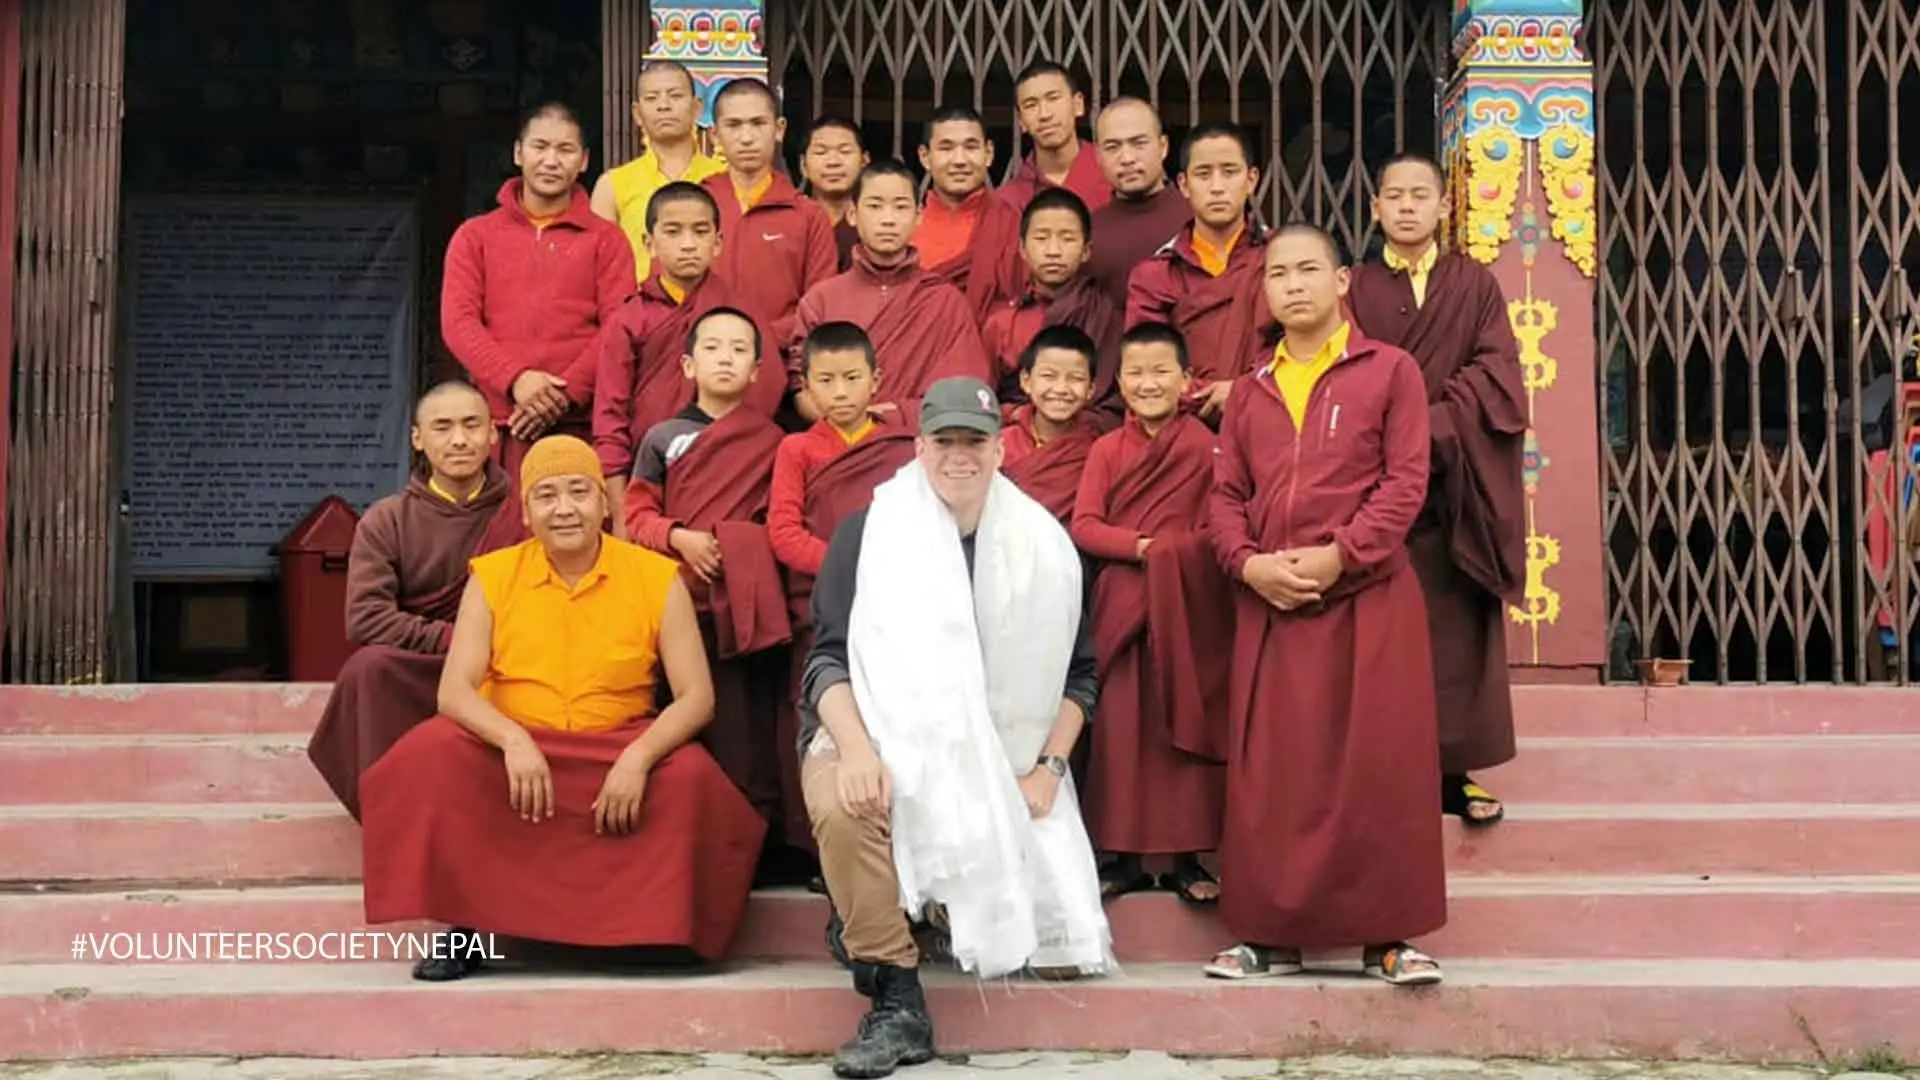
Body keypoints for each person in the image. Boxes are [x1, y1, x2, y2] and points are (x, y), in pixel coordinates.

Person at [359, 434, 767, 980]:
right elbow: (454, 691)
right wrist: (512, 740)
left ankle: (654, 930)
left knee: (691, 779)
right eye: (547, 496)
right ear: (526, 513)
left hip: (616, 742)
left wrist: (640, 758)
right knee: (431, 754)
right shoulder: (493, 576)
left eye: (579, 492)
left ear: (604, 503)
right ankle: (466, 931)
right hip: (518, 744)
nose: (565, 508)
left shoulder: (654, 576)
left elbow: (696, 697)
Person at [802, 376, 1112, 1077]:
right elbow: (825, 661)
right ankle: (896, 1001)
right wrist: (854, 748)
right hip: (868, 721)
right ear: (919, 447)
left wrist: (1047, 771)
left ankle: (891, 909)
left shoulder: (1043, 547)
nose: (959, 457)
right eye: (944, 442)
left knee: (1037, 909)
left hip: (1003, 755)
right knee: (848, 803)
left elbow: (1080, 675)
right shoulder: (871, 531)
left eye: (974, 442)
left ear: (1001, 451)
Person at [1203, 225, 1445, 986]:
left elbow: (1406, 483)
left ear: (1343, 281)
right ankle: (1268, 937)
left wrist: (1342, 553)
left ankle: (1389, 940)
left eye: (1310, 270)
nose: (1294, 285)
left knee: (1378, 766)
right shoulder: (1251, 388)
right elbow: (1225, 496)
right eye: (1279, 273)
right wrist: (1248, 565)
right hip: (1272, 598)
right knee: (1273, 771)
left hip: (1367, 595)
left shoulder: (1389, 370)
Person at [1348, 154, 1525, 827]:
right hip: (1375, 483)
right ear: (1375, 207)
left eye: (1420, 195)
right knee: (1380, 634)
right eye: (1393, 196)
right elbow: (1342, 364)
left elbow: (1497, 373)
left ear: (1444, 207)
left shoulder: (1471, 284)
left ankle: (1458, 773)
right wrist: (1392, 433)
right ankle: (1385, 772)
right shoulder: (1356, 287)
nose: (1407, 207)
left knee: (1453, 630)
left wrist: (1433, 423)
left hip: (1456, 481)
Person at [307, 383, 527, 819]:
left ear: (493, 434)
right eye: (442, 427)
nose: (459, 440)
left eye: (471, 425)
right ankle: (389, 809)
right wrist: (458, 642)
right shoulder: (388, 519)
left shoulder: (523, 512)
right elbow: (367, 619)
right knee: (368, 669)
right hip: (427, 661)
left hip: (507, 657)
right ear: (418, 439)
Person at [625, 307, 796, 866]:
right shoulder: (663, 438)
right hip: (678, 604)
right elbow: (635, 515)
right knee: (678, 719)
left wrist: (738, 545)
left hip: (742, 605)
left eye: (740, 349)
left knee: (743, 729)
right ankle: (677, 843)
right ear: (688, 363)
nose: (726, 357)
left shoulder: (773, 441)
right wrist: (679, 538)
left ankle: (751, 847)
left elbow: (781, 519)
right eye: (714, 347)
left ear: (756, 371)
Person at [1069, 323, 1230, 903]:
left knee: (1177, 723)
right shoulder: (1107, 449)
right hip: (1122, 603)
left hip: (1187, 603)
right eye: (1135, 372)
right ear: (1118, 382)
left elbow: (1221, 524)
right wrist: (1144, 549)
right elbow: (1085, 525)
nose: (1148, 383)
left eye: (1162, 370)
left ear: (1187, 379)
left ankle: (1187, 860)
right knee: (1120, 729)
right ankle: (1125, 857)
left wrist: (1173, 556)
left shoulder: (1207, 446)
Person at [767, 321, 917, 865]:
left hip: (893, 607)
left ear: (876, 380)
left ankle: (897, 846)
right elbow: (783, 532)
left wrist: (882, 573)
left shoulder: (900, 448)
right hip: (823, 608)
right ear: (806, 386)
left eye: (852, 378)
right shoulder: (797, 449)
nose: (840, 393)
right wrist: (846, 568)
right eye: (825, 381)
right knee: (821, 720)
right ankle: (819, 852)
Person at [442, 102, 637, 473]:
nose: (551, 160)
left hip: (581, 425)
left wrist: (562, 397)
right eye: (539, 147)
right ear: (518, 153)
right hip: (499, 423)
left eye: (565, 150)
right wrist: (516, 380)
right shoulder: (476, 236)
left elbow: (618, 330)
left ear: (583, 161)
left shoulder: (607, 240)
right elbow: (458, 323)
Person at [592, 181, 782, 533]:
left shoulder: (741, 312)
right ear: (649, 243)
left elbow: (765, 392)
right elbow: (610, 418)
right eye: (673, 231)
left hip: (732, 479)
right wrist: (621, 514)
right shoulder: (630, 319)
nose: (688, 244)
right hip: (649, 475)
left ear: (718, 242)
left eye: (700, 231)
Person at [790, 159, 992, 420]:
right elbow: (800, 388)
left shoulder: (944, 301)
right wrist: (850, 425)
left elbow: (962, 390)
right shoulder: (821, 300)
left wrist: (891, 417)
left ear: (919, 216)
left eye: (900, 207)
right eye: (875, 206)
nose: (888, 219)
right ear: (852, 213)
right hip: (840, 446)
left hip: (920, 447)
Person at [1124, 124, 1272, 424]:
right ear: (1184, 184)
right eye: (1203, 174)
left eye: (1230, 172)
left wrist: (1244, 391)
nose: (1217, 187)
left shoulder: (1280, 260)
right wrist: (1214, 393)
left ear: (1251, 179)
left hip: (1269, 423)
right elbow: (1145, 367)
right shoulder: (1155, 274)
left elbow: (1314, 347)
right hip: (1182, 431)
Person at [703, 78, 839, 350]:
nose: (746, 137)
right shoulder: (696, 204)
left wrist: (757, 338)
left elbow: (818, 306)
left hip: (779, 363)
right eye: (734, 125)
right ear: (714, 135)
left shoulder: (807, 215)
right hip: (702, 362)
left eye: (758, 123)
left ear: (779, 129)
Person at [980, 188, 1124, 420]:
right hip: (1018, 445)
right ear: (1023, 249)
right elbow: (981, 401)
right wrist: (1016, 415)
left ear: (1086, 250)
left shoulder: (1107, 316)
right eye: (1041, 238)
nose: (1053, 251)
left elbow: (1117, 403)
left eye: (1067, 239)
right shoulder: (1002, 323)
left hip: (1088, 443)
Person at [590, 59, 728, 281]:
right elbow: (598, 268)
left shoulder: (723, 178)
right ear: (637, 113)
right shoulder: (613, 185)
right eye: (652, 98)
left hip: (711, 310)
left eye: (675, 96)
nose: (664, 105)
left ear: (697, 108)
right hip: (638, 311)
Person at [913, 105, 1024, 321]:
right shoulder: (904, 228)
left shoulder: (1011, 223)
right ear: (925, 156)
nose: (959, 161)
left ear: (989, 153)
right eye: (946, 148)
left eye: (971, 147)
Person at [1087, 98, 1191, 307]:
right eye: (1113, 147)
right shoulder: (1088, 234)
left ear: (1163, 147)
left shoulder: (1196, 217)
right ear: (1098, 156)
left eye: (1139, 144)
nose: (1127, 158)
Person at [1000, 324, 1104, 524]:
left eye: (1076, 378)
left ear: (1091, 389)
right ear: (1026, 381)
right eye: (1049, 376)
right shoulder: (1001, 443)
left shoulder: (1095, 452)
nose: (1061, 388)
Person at [1004, 61, 1112, 213]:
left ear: (1078, 105)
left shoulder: (1113, 172)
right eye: (1031, 105)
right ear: (1021, 120)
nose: (1044, 114)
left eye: (1053, 98)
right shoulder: (1009, 201)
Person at [800, 115, 868, 272]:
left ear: (864, 161)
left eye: (844, 151)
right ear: (803, 166)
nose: (833, 162)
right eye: (821, 152)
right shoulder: (791, 222)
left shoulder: (876, 223)